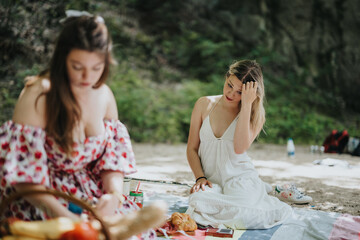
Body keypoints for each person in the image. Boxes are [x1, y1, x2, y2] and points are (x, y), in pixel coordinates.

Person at [0, 11, 161, 239]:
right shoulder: (39, 94)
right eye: (77, 67)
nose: (87, 77)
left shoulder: (104, 94)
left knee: (138, 233)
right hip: (42, 199)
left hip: (87, 194)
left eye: (97, 68)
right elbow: (26, 180)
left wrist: (113, 195)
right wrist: (69, 218)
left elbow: (111, 161)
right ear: (62, 58)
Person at [185, 60, 293, 229]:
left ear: (251, 93)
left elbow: (239, 148)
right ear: (226, 77)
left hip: (239, 179)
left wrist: (247, 105)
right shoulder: (204, 104)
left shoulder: (254, 115)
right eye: (229, 85)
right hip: (211, 182)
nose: (231, 94)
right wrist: (200, 177)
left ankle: (256, 191)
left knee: (247, 214)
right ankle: (258, 192)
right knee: (198, 200)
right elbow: (191, 148)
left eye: (240, 92)